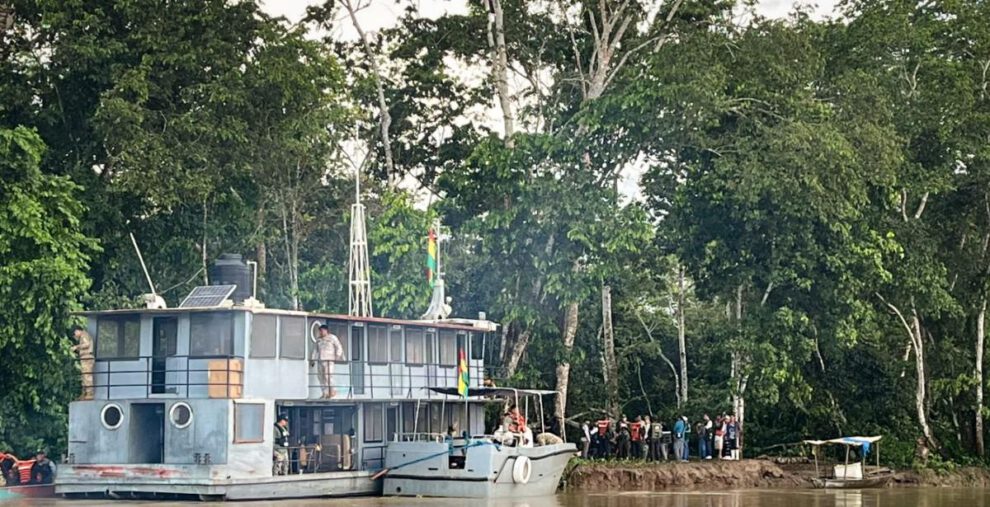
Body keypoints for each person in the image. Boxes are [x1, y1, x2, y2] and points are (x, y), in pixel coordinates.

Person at [310, 325, 345, 398]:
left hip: (329, 360)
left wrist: (338, 356)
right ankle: (324, 393)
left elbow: (339, 346)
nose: (321, 332)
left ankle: (332, 391)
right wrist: (312, 359)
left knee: (328, 376)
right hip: (320, 360)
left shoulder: (332, 338)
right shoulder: (319, 340)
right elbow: (315, 350)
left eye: (322, 330)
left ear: (326, 330)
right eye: (320, 331)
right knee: (320, 377)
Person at [71, 325, 95, 400]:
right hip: (84, 357)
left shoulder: (84, 335)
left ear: (77, 331)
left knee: (87, 375)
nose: (75, 335)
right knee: (84, 375)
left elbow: (87, 344)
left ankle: (90, 393)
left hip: (87, 357)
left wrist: (77, 347)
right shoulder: (83, 336)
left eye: (75, 333)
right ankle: (84, 393)